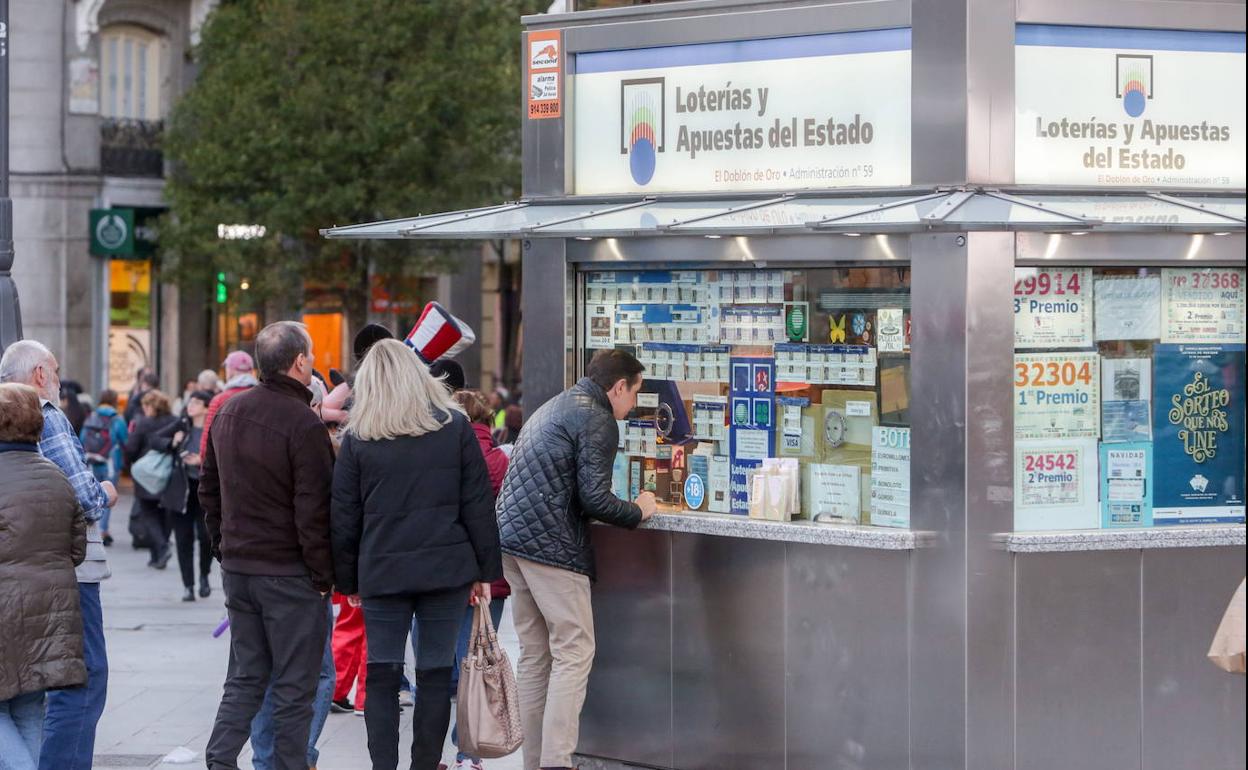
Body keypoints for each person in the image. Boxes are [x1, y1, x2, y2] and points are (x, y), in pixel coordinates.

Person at [330, 339, 501, 770]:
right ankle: (425, 765)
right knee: (435, 674)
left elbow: (344, 516)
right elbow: (476, 504)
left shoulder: (359, 437)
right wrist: (485, 570)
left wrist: (347, 580)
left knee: (383, 674)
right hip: (445, 570)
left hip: (383, 571)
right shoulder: (455, 427)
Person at [495, 349, 657, 770]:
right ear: (618, 387)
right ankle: (556, 762)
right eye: (635, 393)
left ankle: (536, 762)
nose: (633, 405)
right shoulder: (599, 418)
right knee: (574, 651)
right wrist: (639, 509)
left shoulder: (559, 403)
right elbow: (596, 498)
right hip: (551, 548)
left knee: (535, 656)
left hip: (513, 542)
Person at [201, 321, 335, 770]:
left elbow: (209, 488)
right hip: (289, 573)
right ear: (300, 362)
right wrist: (322, 576)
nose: (313, 363)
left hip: (242, 570)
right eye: (311, 356)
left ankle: (219, 760)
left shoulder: (227, 412)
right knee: (296, 689)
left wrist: (223, 546)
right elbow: (313, 509)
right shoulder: (303, 423)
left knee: (245, 677)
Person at [0, 340, 118, 770]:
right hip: (60, 583)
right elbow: (83, 506)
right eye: (54, 369)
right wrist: (104, 490)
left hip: (21, 586)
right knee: (74, 681)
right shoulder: (47, 418)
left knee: (25, 696)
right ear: (38, 375)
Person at [0, 383, 89, 770]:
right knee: (30, 710)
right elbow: (77, 549)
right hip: (51, 613)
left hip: (5, 609)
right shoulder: (56, 476)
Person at [447, 389, 512, 770]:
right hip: (493, 577)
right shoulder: (501, 461)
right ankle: (468, 751)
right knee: (478, 661)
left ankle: (448, 742)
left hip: (450, 574)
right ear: (487, 421)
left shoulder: (444, 457)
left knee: (448, 663)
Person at [153, 390, 215, 601]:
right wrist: (172, 443)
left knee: (206, 536)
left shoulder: (212, 427)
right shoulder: (182, 425)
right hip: (180, 490)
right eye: (191, 402)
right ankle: (188, 585)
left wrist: (201, 461)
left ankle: (205, 576)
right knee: (183, 539)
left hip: (205, 490)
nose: (191, 406)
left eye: (197, 403)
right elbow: (155, 439)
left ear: (206, 407)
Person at [125, 390, 178, 569]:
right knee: (164, 513)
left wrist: (131, 464)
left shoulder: (143, 423)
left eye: (145, 406)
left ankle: (161, 548)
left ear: (150, 406)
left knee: (148, 513)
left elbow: (131, 448)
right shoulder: (174, 421)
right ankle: (157, 555)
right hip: (168, 473)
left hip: (147, 474)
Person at [81, 389, 128, 547]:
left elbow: (81, 438)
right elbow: (125, 441)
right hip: (110, 462)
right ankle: (103, 530)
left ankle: (94, 528)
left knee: (94, 493)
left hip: (92, 461)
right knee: (107, 494)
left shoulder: (92, 416)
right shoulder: (117, 419)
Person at [200, 350, 259, 456]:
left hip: (226, 463)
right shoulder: (264, 397)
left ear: (231, 370)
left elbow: (207, 440)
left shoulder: (219, 400)